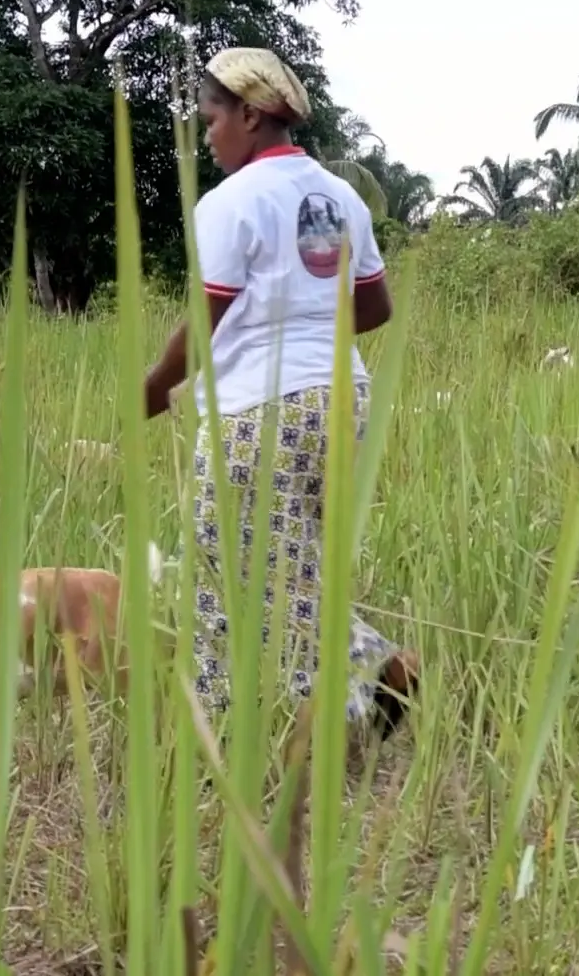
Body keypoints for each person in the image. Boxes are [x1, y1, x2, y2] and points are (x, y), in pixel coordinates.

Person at [142, 45, 417, 740]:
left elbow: (206, 317)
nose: (208, 136)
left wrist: (152, 388)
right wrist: (310, 332)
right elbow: (376, 307)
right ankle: (380, 669)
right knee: (294, 566)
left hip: (257, 413)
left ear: (253, 114)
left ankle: (240, 732)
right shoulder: (335, 194)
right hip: (338, 399)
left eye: (212, 119)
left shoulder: (232, 201)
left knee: (220, 573)